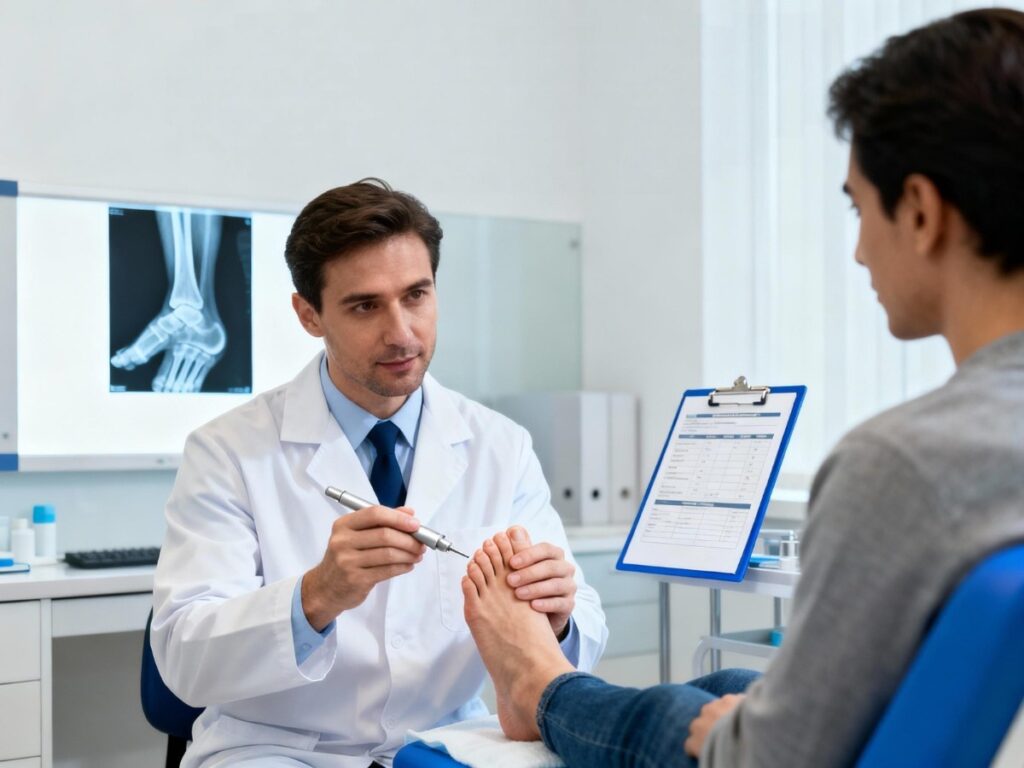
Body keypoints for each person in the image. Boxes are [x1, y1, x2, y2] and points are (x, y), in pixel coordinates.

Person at [461, 8, 1024, 767]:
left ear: (921, 211)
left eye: (859, 209)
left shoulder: (908, 463)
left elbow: (765, 761)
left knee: (687, 718)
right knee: (726, 679)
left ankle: (540, 686)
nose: (858, 251)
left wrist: (733, 734)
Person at [151, 179, 609, 768]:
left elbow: (585, 632)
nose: (401, 333)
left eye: (416, 295)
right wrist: (316, 596)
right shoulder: (228, 452)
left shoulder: (502, 445)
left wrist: (560, 616)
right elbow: (185, 658)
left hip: (451, 744)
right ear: (309, 314)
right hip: (282, 749)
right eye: (365, 305)